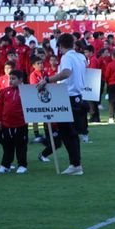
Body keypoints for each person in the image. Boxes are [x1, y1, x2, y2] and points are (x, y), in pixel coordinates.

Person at [37, 33, 88, 175]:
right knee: (71, 133)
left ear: (60, 46)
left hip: (69, 97)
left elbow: (66, 73)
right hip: (78, 96)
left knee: (67, 133)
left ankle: (75, 164)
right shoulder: (81, 56)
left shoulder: (67, 57)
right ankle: (76, 163)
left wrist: (47, 80)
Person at [0, 70, 29, 174]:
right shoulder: (4, 91)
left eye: (13, 79)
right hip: (6, 124)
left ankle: (22, 165)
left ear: (20, 80)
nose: (11, 81)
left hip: (21, 123)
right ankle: (5, 165)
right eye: (10, 78)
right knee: (7, 146)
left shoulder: (26, 91)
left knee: (21, 145)